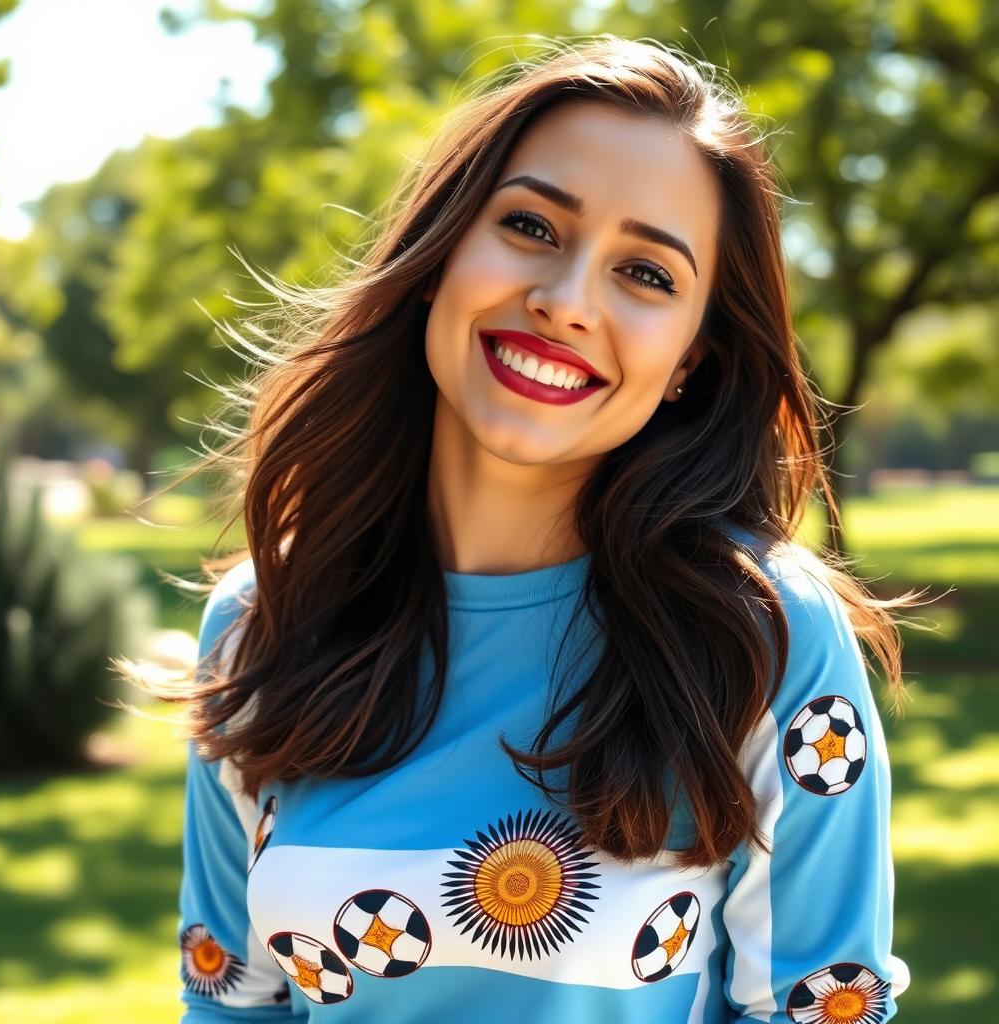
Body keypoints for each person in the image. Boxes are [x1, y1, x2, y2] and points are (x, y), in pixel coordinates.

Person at [132, 35, 925, 1023]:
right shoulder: (263, 621)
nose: (564, 302)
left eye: (645, 274)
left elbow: (822, 1009)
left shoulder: (764, 636)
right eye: (531, 226)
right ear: (440, 256)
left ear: (688, 360)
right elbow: (229, 1002)